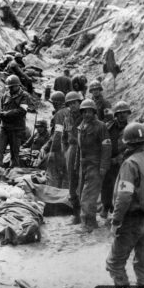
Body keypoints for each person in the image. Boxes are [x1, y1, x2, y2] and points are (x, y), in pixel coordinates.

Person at [106, 122, 144, 288]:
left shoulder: (129, 164)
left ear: (127, 143)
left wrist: (116, 221)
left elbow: (124, 196)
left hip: (132, 220)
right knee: (143, 261)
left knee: (114, 263)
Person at [77, 99, 112, 232]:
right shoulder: (81, 126)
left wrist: (103, 166)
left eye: (89, 112)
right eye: (84, 112)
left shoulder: (100, 126)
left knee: (88, 196)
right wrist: (77, 165)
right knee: (83, 194)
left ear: (94, 112)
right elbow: (79, 150)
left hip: (95, 165)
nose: (87, 114)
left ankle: (87, 224)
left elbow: (107, 147)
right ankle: (90, 222)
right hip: (84, 165)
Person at [101, 101, 131, 219]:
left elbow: (131, 147)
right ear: (116, 115)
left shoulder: (130, 129)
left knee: (120, 186)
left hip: (122, 161)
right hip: (108, 159)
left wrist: (118, 158)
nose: (122, 115)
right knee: (106, 184)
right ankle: (105, 206)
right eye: (119, 113)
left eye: (125, 113)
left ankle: (116, 210)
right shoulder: (108, 126)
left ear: (128, 114)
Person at [0, 75, 29, 168]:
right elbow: (1, 109)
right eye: (9, 87)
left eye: (12, 87)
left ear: (18, 86)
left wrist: (6, 114)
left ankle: (13, 172)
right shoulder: (6, 95)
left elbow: (22, 111)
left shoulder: (24, 96)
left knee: (14, 152)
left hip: (17, 128)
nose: (10, 89)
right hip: (4, 127)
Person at [62, 91, 83, 224]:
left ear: (79, 103)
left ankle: (85, 213)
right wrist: (66, 151)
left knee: (83, 181)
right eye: (70, 104)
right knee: (72, 181)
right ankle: (76, 214)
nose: (73, 106)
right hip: (72, 149)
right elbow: (64, 138)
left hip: (84, 150)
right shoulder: (67, 117)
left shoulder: (87, 115)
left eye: (74, 103)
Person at [44, 91, 69, 188]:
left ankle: (52, 199)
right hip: (69, 148)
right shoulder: (70, 111)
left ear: (56, 103)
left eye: (53, 103)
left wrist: (51, 151)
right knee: (66, 176)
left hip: (59, 150)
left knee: (53, 175)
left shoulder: (59, 114)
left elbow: (58, 134)